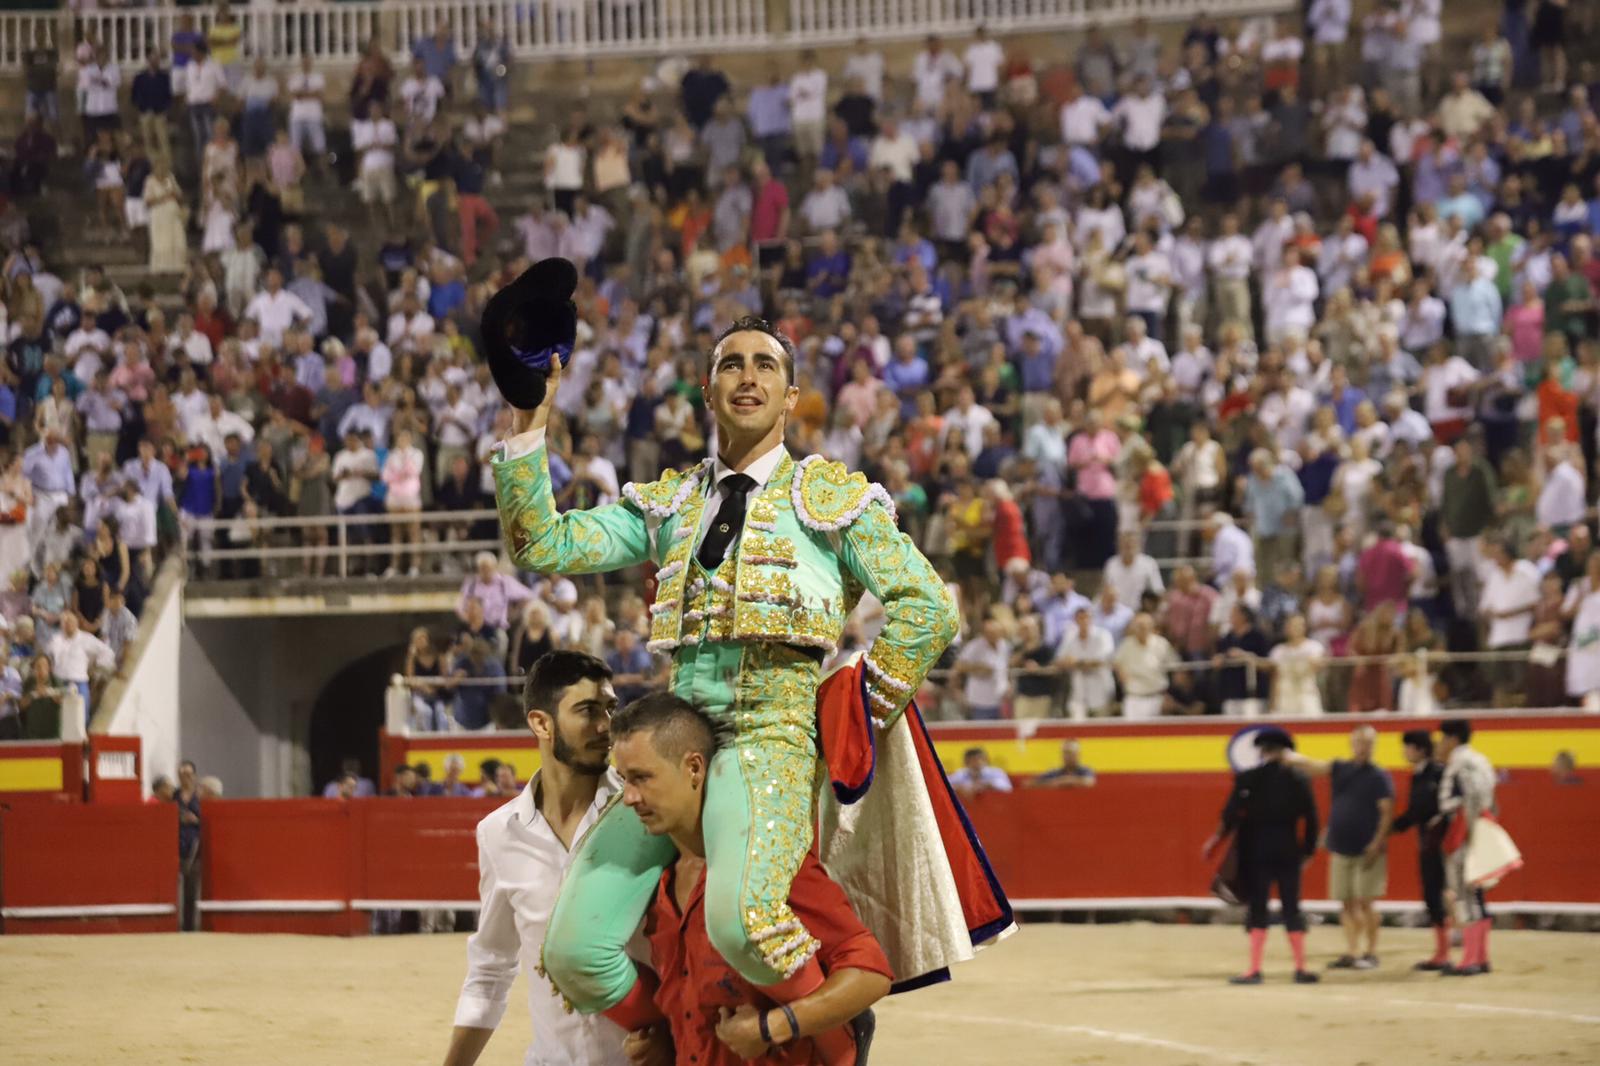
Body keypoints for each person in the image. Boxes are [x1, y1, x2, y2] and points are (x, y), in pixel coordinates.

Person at [492, 314, 963, 1023]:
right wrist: (531, 421)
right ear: (707, 392)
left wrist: (856, 713)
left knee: (742, 925)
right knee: (573, 951)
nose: (748, 376)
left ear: (790, 396)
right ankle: (672, 1040)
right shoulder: (671, 504)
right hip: (674, 736)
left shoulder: (831, 501)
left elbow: (929, 608)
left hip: (770, 735)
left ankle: (832, 1035)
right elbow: (542, 544)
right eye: (731, 365)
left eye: (765, 365)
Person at [608, 693, 889, 1065]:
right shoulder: (657, 885)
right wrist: (662, 1041)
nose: (629, 797)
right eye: (624, 780)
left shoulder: (770, 868)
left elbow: (870, 974)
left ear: (694, 768)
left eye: (642, 778)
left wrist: (775, 1026)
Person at [443, 651, 630, 1066]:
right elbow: (490, 970)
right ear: (541, 723)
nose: (606, 726)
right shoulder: (499, 833)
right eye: (588, 710)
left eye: (610, 708)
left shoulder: (642, 812)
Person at [1201, 727, 1319, 985]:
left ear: (1262, 751)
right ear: (1285, 752)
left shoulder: (1248, 778)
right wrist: (1308, 851)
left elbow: (1229, 816)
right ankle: (1300, 968)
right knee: (1291, 906)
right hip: (1288, 850)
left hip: (1256, 851)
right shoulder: (1299, 780)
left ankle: (1254, 969)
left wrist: (1215, 842)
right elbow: (1311, 819)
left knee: (1258, 907)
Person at [1290, 726, 1395, 970]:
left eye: (1367, 743)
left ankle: (1371, 952)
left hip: (1368, 849)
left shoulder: (1379, 776)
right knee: (1346, 902)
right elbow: (1312, 766)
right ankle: (1352, 951)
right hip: (1340, 846)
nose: (1363, 748)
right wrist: (1287, 756)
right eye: (1359, 743)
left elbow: (1387, 813)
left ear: (1373, 746)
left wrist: (1377, 842)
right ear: (1351, 744)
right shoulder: (1340, 768)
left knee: (1366, 902)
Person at [1436, 718, 1501, 976]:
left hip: (1463, 834)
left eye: (1442, 739)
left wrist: (1467, 831)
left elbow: (1455, 802)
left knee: (1465, 896)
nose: (1440, 744)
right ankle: (1481, 957)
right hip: (1480, 831)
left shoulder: (1458, 764)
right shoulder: (1482, 761)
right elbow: (1492, 803)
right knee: (1477, 895)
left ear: (1452, 739)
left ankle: (1470, 959)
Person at [1391, 729, 1450, 971]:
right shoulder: (1420, 775)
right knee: (1433, 893)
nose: (1405, 752)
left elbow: (1420, 811)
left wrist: (1391, 828)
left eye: (1408, 747)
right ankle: (1443, 951)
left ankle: (1445, 952)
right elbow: (1415, 813)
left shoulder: (1438, 773)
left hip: (1443, 842)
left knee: (1438, 893)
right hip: (1429, 842)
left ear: (1420, 750)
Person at [1029, 740, 1096, 788]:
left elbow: (1089, 782)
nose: (1067, 756)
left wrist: (1064, 780)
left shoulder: (1085, 770)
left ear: (1078, 755)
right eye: (1065, 753)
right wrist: (1052, 783)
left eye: (1070, 753)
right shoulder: (1055, 772)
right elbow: (1032, 783)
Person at [948, 747, 1012, 798]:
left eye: (980, 759)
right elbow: (947, 786)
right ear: (966, 762)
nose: (977, 762)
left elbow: (1007, 788)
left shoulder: (996, 772)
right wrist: (959, 788)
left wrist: (986, 785)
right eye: (973, 760)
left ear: (986, 760)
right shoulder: (960, 773)